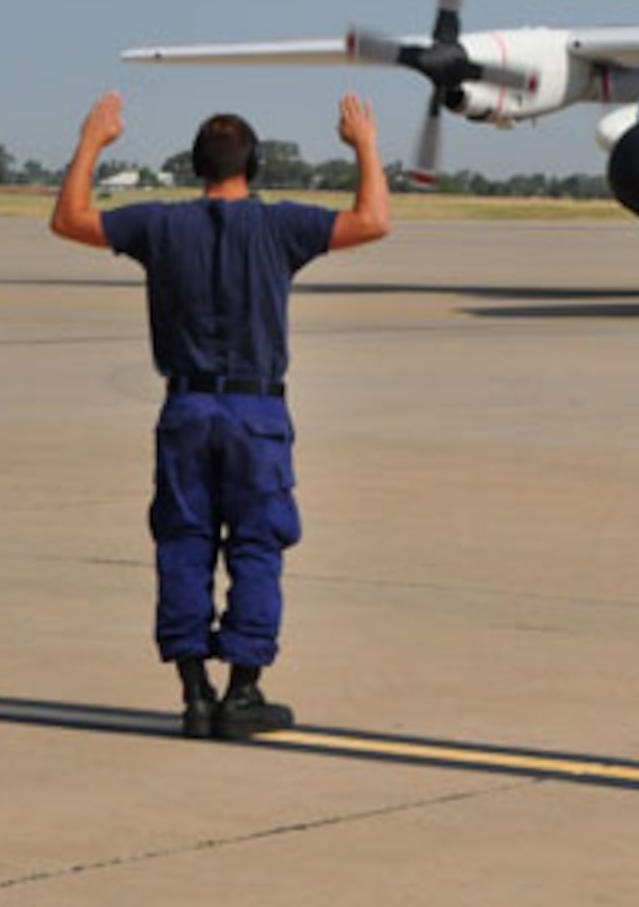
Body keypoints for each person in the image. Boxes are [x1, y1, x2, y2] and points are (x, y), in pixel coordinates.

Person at [51, 91, 391, 739]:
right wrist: (365, 146)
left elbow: (69, 219)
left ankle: (195, 693)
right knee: (257, 547)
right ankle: (244, 690)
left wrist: (92, 140)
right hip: (254, 413)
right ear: (253, 164)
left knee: (183, 544)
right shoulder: (280, 226)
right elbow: (372, 220)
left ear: (195, 166)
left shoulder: (157, 226)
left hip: (185, 409)